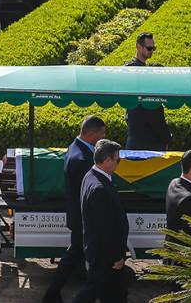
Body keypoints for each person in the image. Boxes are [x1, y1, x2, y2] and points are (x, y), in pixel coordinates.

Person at [44, 115, 107, 303]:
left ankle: (53, 294)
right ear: (92, 134)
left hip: (78, 217)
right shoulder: (81, 159)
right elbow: (86, 195)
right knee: (80, 257)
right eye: (101, 134)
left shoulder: (76, 148)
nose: (103, 138)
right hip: (82, 219)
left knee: (75, 256)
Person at [72, 139, 129, 303]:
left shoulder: (90, 176)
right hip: (106, 258)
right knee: (94, 292)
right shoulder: (100, 189)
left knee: (110, 293)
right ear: (107, 161)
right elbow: (105, 230)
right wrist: (116, 257)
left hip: (99, 253)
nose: (119, 163)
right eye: (117, 160)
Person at [124, 33, 171, 151]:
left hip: (138, 137)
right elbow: (153, 114)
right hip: (146, 141)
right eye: (149, 48)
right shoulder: (133, 69)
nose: (151, 51)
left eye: (153, 48)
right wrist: (166, 138)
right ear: (138, 47)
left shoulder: (136, 69)